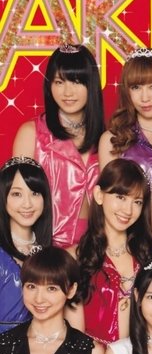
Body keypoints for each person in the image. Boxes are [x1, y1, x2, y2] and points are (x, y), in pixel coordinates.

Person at [13, 44, 104, 248]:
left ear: (91, 85)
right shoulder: (31, 134)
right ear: (49, 85)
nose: (67, 92)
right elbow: (16, 203)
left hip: (99, 249)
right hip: (47, 251)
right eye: (59, 82)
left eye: (77, 81)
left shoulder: (107, 139)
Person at [99, 48, 152, 254]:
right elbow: (108, 207)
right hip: (135, 250)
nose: (145, 97)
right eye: (136, 87)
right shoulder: (114, 141)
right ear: (127, 91)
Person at [74, 158, 152, 345]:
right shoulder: (76, 257)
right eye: (121, 197)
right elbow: (76, 339)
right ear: (99, 195)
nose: (128, 210)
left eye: (137, 202)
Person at [0, 156, 52, 333]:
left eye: (35, 193)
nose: (27, 204)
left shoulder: (52, 254)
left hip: (43, 346)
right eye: (17, 194)